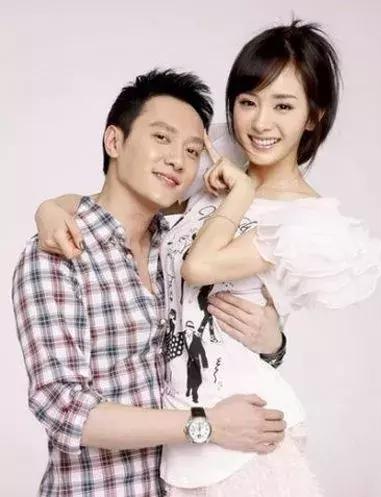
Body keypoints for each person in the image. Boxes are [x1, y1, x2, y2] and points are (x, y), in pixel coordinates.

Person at [32, 20, 381, 497]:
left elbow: (198, 270)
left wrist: (273, 342)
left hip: (240, 443)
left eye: (284, 106)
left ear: (312, 116)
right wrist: (49, 208)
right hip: (182, 448)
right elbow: (121, 199)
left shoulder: (306, 222)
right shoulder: (218, 169)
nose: (261, 123)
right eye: (248, 102)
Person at [12, 69, 286, 497]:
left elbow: (222, 354)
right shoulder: (59, 251)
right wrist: (206, 425)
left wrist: (273, 344)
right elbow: (63, 407)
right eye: (162, 138)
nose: (178, 160)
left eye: (192, 150)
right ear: (114, 141)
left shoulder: (183, 252)